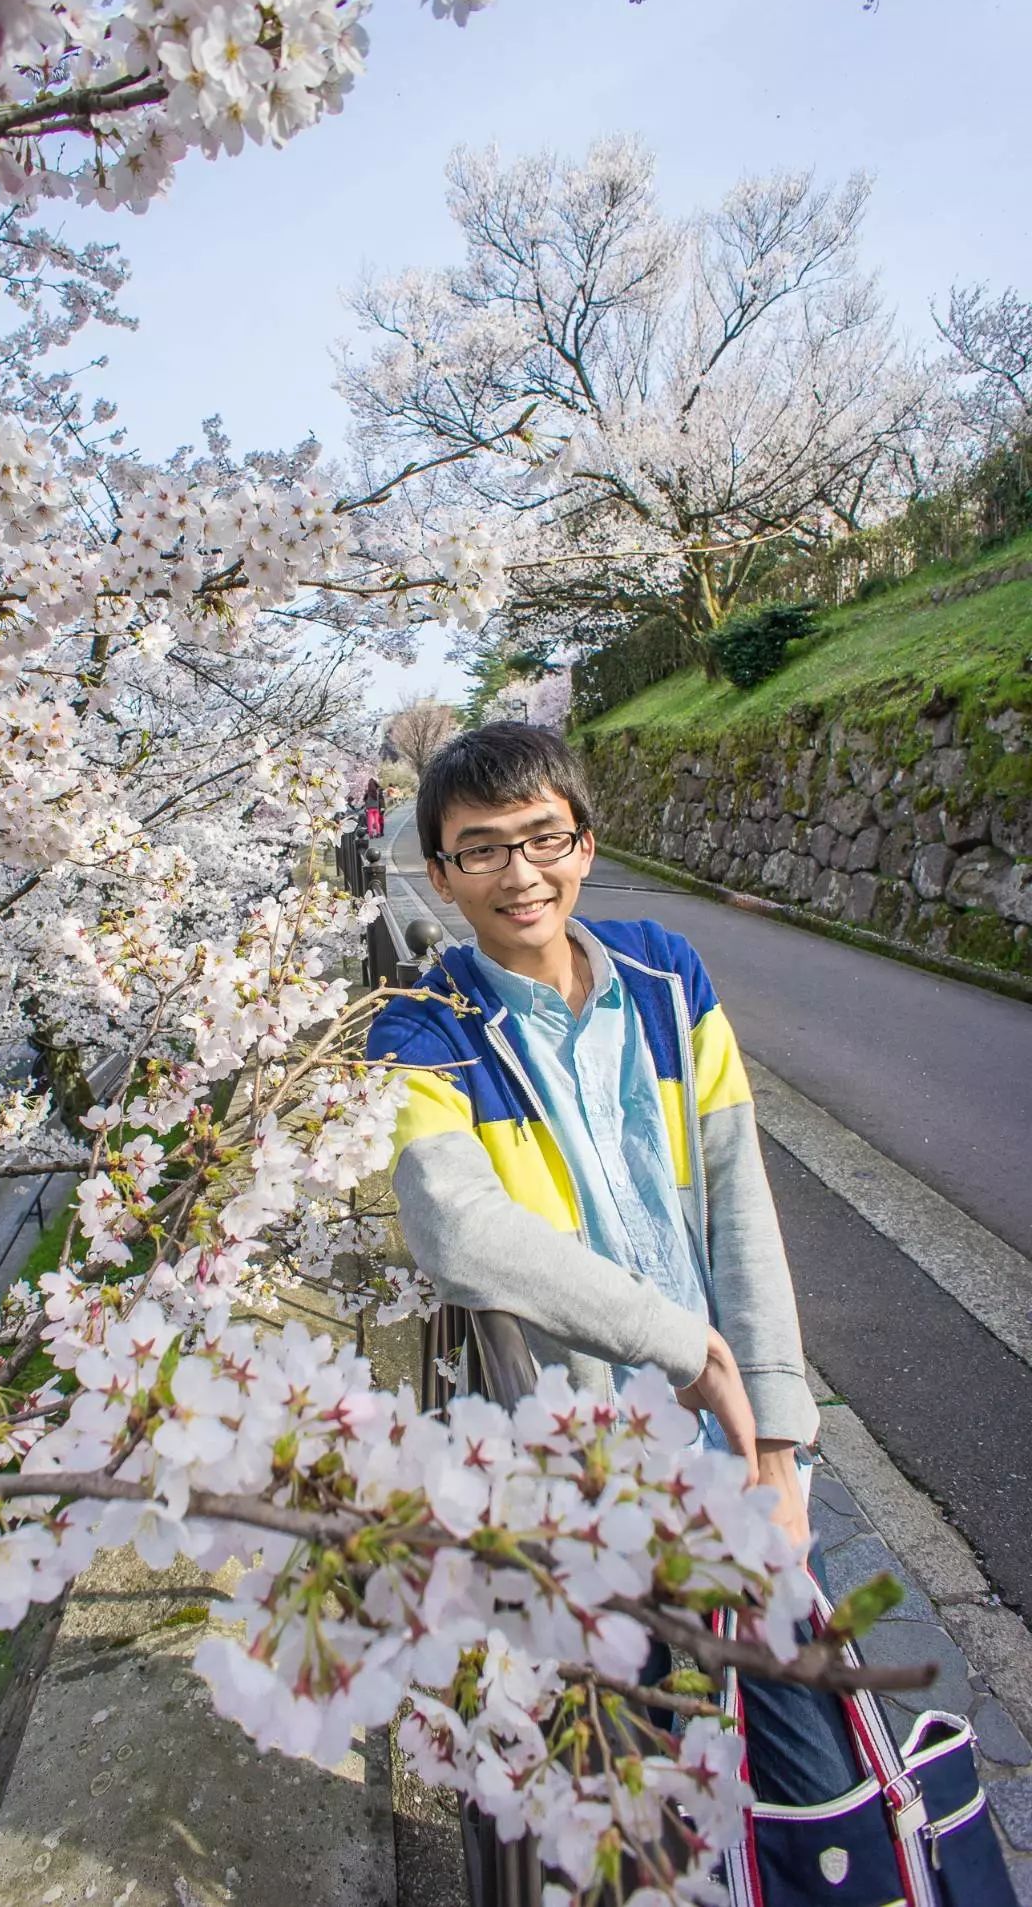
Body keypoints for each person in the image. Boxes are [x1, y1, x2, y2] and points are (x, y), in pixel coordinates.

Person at [367, 721, 861, 1810]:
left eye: (542, 837)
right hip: (578, 1476)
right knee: (626, 1789)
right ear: (440, 876)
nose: (519, 873)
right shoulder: (420, 1028)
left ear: (584, 843)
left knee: (816, 1778)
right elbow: (455, 1226)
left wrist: (775, 1440)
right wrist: (685, 1348)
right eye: (481, 848)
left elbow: (738, 1197)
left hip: (729, 1445)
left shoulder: (665, 977)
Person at [363, 774, 385, 839]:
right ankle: (378, 833)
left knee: (370, 822)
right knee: (376, 821)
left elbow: (364, 799)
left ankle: (371, 834)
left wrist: (367, 803)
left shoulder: (368, 793)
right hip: (376, 808)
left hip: (370, 809)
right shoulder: (377, 792)